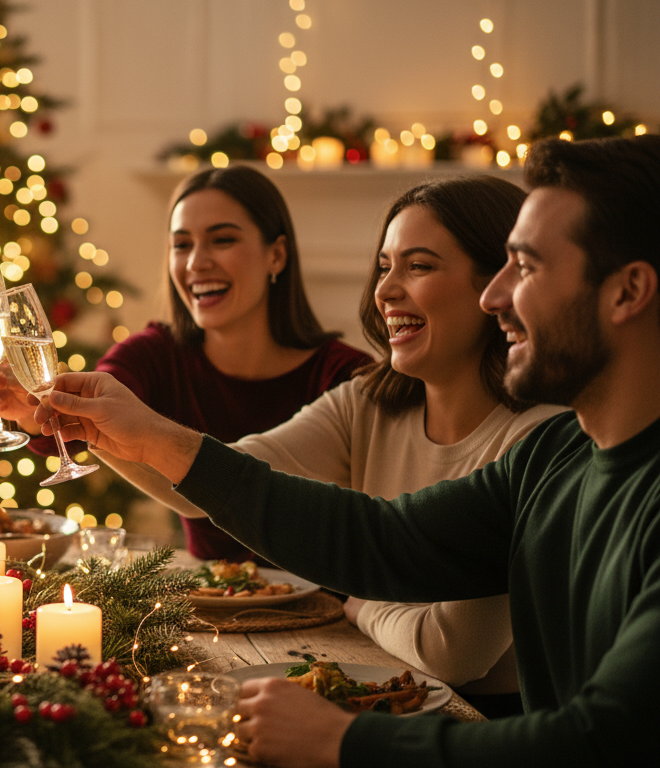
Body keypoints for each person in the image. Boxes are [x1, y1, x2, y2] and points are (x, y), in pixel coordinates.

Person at [33, 134, 660, 766]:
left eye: (525, 268)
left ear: (628, 291)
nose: (496, 297)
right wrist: (146, 438)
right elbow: (379, 539)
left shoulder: (563, 453)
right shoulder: (557, 457)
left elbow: (600, 740)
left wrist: (342, 739)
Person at [95, 176, 565, 717]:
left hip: (485, 728)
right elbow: (217, 485)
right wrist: (101, 430)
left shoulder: (538, 439)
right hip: (379, 698)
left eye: (419, 265)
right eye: (384, 267)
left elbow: (450, 652)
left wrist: (359, 604)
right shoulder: (366, 402)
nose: (385, 290)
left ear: (497, 285)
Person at [0, 165, 370, 560]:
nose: (196, 263)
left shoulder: (346, 378)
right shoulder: (156, 355)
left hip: (332, 609)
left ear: (277, 255)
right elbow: (100, 394)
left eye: (222, 240)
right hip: (211, 606)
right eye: (182, 245)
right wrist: (36, 410)